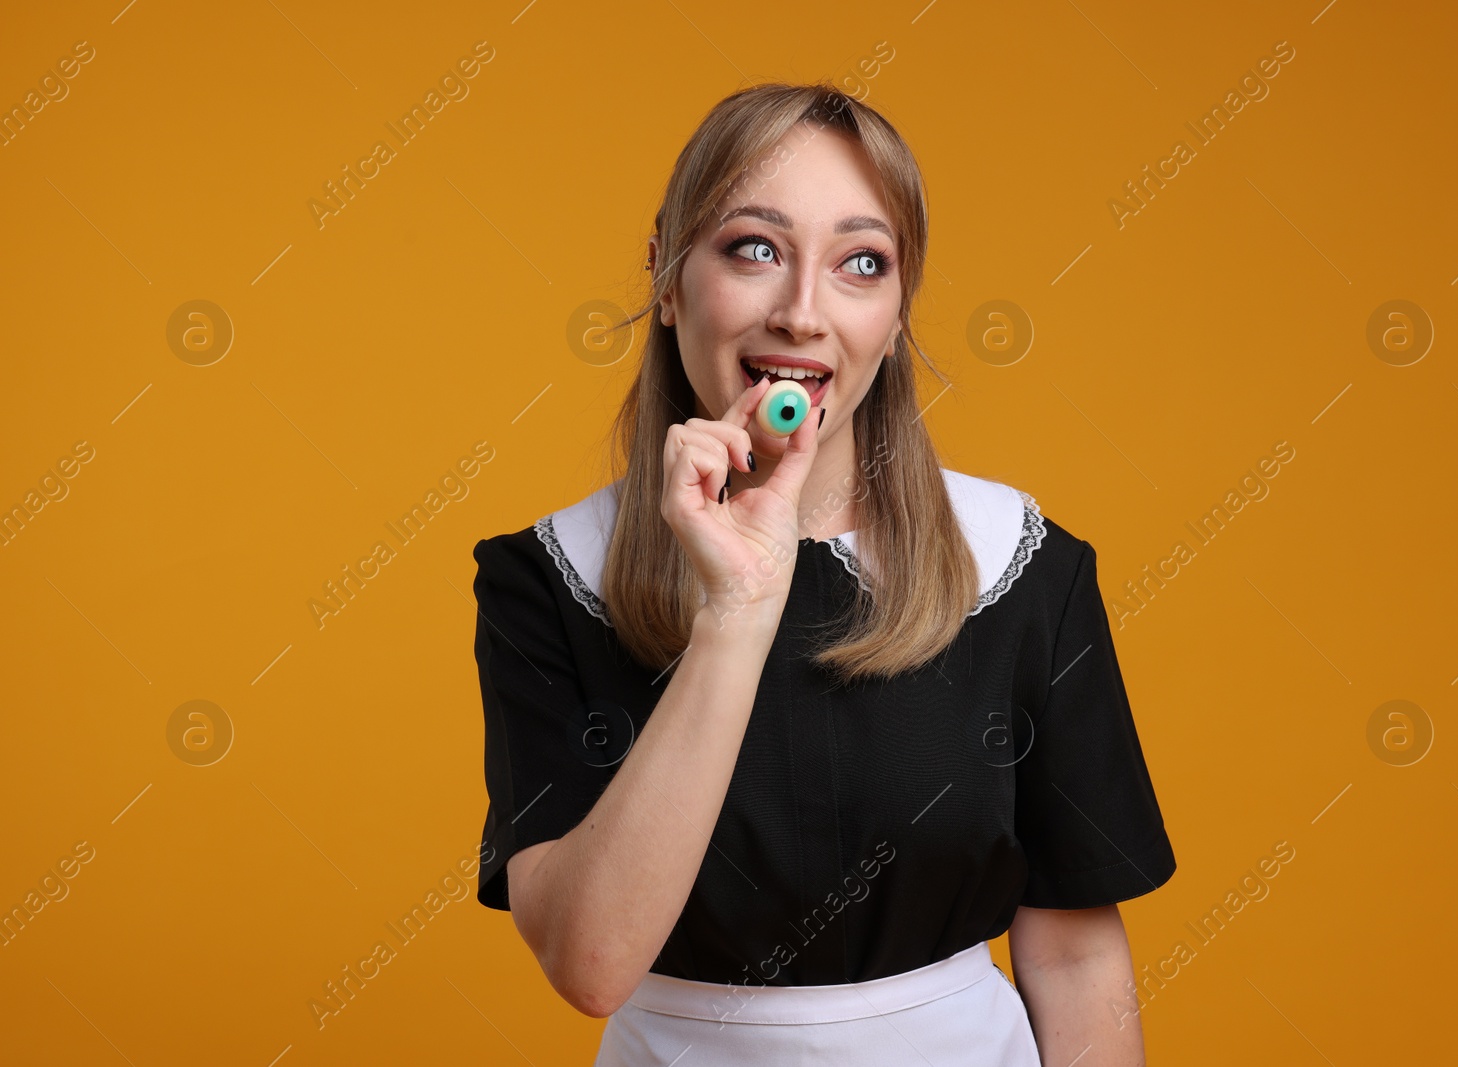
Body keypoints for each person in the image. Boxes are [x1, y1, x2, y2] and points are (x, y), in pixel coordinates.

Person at [469, 81, 1177, 1065]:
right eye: (753, 248)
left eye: (860, 263)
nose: (801, 312)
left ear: (893, 316)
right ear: (667, 279)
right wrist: (737, 606)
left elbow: (1071, 951)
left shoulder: (1020, 563)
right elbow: (591, 962)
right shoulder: (543, 578)